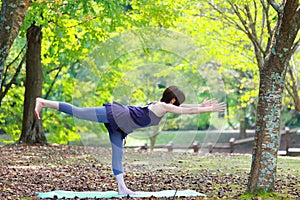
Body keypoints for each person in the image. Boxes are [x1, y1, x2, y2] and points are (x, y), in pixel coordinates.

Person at [34, 85, 226, 195]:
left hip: (122, 125)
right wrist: (206, 109)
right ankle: (43, 102)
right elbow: (186, 110)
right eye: (178, 102)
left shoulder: (161, 105)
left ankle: (122, 188)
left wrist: (200, 105)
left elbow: (188, 107)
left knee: (118, 153)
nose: (179, 105)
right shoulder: (163, 107)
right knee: (80, 113)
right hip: (117, 114)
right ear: (174, 101)